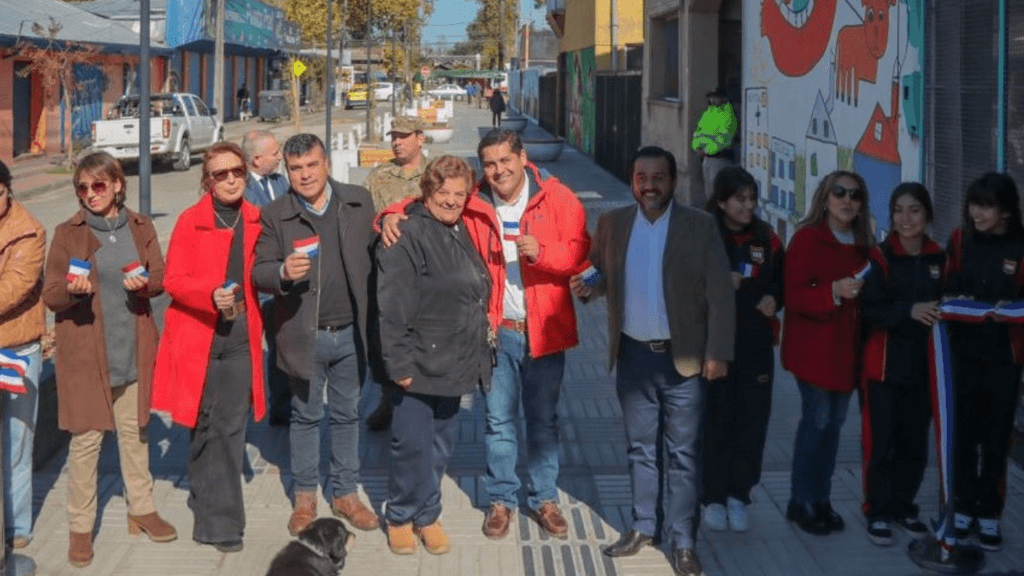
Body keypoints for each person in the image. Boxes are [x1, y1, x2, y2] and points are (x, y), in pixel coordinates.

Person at [377, 129, 590, 541]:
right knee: (498, 422)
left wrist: (544, 254)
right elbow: (428, 200)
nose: (498, 170)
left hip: (545, 331)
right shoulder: (476, 200)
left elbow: (581, 251)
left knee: (543, 422)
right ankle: (501, 499)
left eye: (505, 160)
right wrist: (388, 214)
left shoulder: (557, 198)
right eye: (489, 164)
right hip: (497, 332)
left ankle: (544, 498)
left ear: (523, 158)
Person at [570, 146, 734, 576]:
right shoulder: (612, 223)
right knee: (640, 448)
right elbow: (600, 272)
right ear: (632, 181)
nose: (649, 185)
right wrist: (589, 287)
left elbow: (720, 294)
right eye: (641, 177)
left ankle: (683, 540)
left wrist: (717, 352)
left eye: (658, 177)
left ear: (673, 181)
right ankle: (644, 525)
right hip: (633, 359)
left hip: (684, 363)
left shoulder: (699, 225)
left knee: (683, 454)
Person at [42, 152, 177, 567]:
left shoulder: (141, 226)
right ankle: (80, 528)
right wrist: (73, 292)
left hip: (132, 349)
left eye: (98, 185)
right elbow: (51, 295)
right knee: (86, 444)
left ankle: (142, 509)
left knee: (136, 435)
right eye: (82, 187)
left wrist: (145, 285)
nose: (90, 194)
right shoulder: (68, 233)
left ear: (118, 185)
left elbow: (161, 277)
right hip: (86, 355)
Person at [253, 134, 378, 537]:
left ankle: (345, 493)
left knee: (347, 414)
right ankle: (305, 496)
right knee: (305, 417)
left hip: (351, 333)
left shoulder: (357, 201)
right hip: (303, 335)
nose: (305, 175)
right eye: (296, 168)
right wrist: (281, 272)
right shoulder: (275, 214)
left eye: (311, 165)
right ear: (287, 171)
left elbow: (379, 250)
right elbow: (259, 270)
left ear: (326, 164)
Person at [151, 142, 266, 553]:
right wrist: (209, 294)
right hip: (197, 339)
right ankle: (203, 495)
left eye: (237, 171)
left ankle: (222, 524)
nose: (231, 179)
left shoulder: (257, 219)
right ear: (208, 181)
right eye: (221, 174)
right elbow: (173, 280)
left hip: (238, 343)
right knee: (202, 427)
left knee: (229, 430)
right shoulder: (190, 221)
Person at [375, 156, 492, 555]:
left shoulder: (461, 227)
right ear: (427, 192)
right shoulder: (407, 234)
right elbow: (392, 306)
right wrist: (399, 364)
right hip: (419, 362)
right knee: (411, 445)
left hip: (454, 359)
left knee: (441, 445)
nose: (452, 200)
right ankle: (400, 516)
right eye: (443, 192)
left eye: (460, 194)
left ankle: (428, 514)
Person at [782, 169, 874, 536]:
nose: (847, 200)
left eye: (855, 195)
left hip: (846, 352)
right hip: (814, 351)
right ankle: (801, 499)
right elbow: (793, 295)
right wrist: (832, 291)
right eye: (840, 192)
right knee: (817, 423)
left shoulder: (864, 244)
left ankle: (821, 499)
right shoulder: (807, 239)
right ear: (825, 197)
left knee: (834, 428)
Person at [859, 183, 944, 546]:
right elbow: (868, 309)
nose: (905, 219)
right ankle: (877, 511)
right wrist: (909, 311)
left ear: (928, 216)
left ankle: (903, 506)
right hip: (884, 367)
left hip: (924, 369)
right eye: (898, 211)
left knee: (915, 445)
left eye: (914, 211)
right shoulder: (879, 257)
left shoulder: (939, 257)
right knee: (881, 444)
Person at [943, 172, 1024, 551]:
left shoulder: (1021, 245)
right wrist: (956, 300)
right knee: (963, 435)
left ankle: (989, 512)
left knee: (995, 438)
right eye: (974, 204)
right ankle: (961, 507)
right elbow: (945, 287)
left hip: (1005, 358)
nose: (977, 213)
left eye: (986, 206)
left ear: (1006, 211)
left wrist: (1012, 307)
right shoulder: (960, 240)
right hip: (963, 354)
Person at [700, 166, 783, 533]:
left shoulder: (767, 238)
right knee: (716, 421)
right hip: (715, 345)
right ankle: (712, 497)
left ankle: (739, 495)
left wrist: (774, 298)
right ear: (721, 202)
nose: (749, 206)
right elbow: (684, 284)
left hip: (756, 345)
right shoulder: (704, 234)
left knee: (752, 422)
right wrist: (719, 282)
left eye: (752, 199)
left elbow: (783, 281)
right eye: (740, 199)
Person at [363, 116, 429, 432]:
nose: (397, 142)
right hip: (387, 271)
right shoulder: (379, 177)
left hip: (425, 272)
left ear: (420, 138)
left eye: (403, 136)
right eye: (394, 137)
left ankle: (421, 401)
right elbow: (367, 219)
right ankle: (387, 400)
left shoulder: (434, 175)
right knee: (385, 335)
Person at [0, 159, 45, 551]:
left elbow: (13, 289)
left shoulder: (28, 230)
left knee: (16, 443)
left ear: (7, 190)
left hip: (16, 350)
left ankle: (16, 525)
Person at [242, 130, 291, 427]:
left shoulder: (281, 182)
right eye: (274, 153)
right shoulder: (242, 188)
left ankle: (281, 408)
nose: (280, 157)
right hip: (252, 281)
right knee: (246, 350)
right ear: (257, 159)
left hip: (279, 280)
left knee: (279, 344)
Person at [691, 88, 737, 206]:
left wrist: (706, 151)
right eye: (712, 97)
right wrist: (697, 147)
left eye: (716, 97)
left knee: (718, 191)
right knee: (709, 191)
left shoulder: (727, 115)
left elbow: (723, 139)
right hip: (707, 159)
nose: (713, 100)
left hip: (719, 159)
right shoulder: (709, 113)